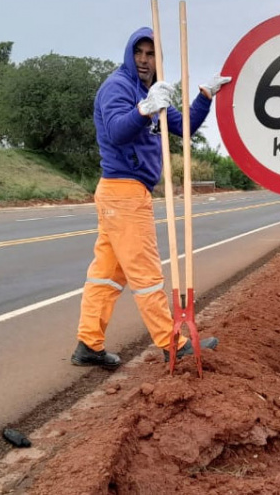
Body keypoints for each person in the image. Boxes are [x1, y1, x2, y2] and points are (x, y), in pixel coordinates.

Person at [71, 26, 231, 370]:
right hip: (124, 191)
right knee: (147, 276)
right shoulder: (119, 87)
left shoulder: (149, 91)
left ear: (159, 60)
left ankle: (88, 343)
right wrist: (143, 109)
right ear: (130, 55)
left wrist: (205, 95)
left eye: (151, 54)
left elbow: (184, 126)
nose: (144, 61)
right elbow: (115, 129)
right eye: (139, 53)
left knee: (106, 275)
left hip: (121, 192)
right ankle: (173, 344)